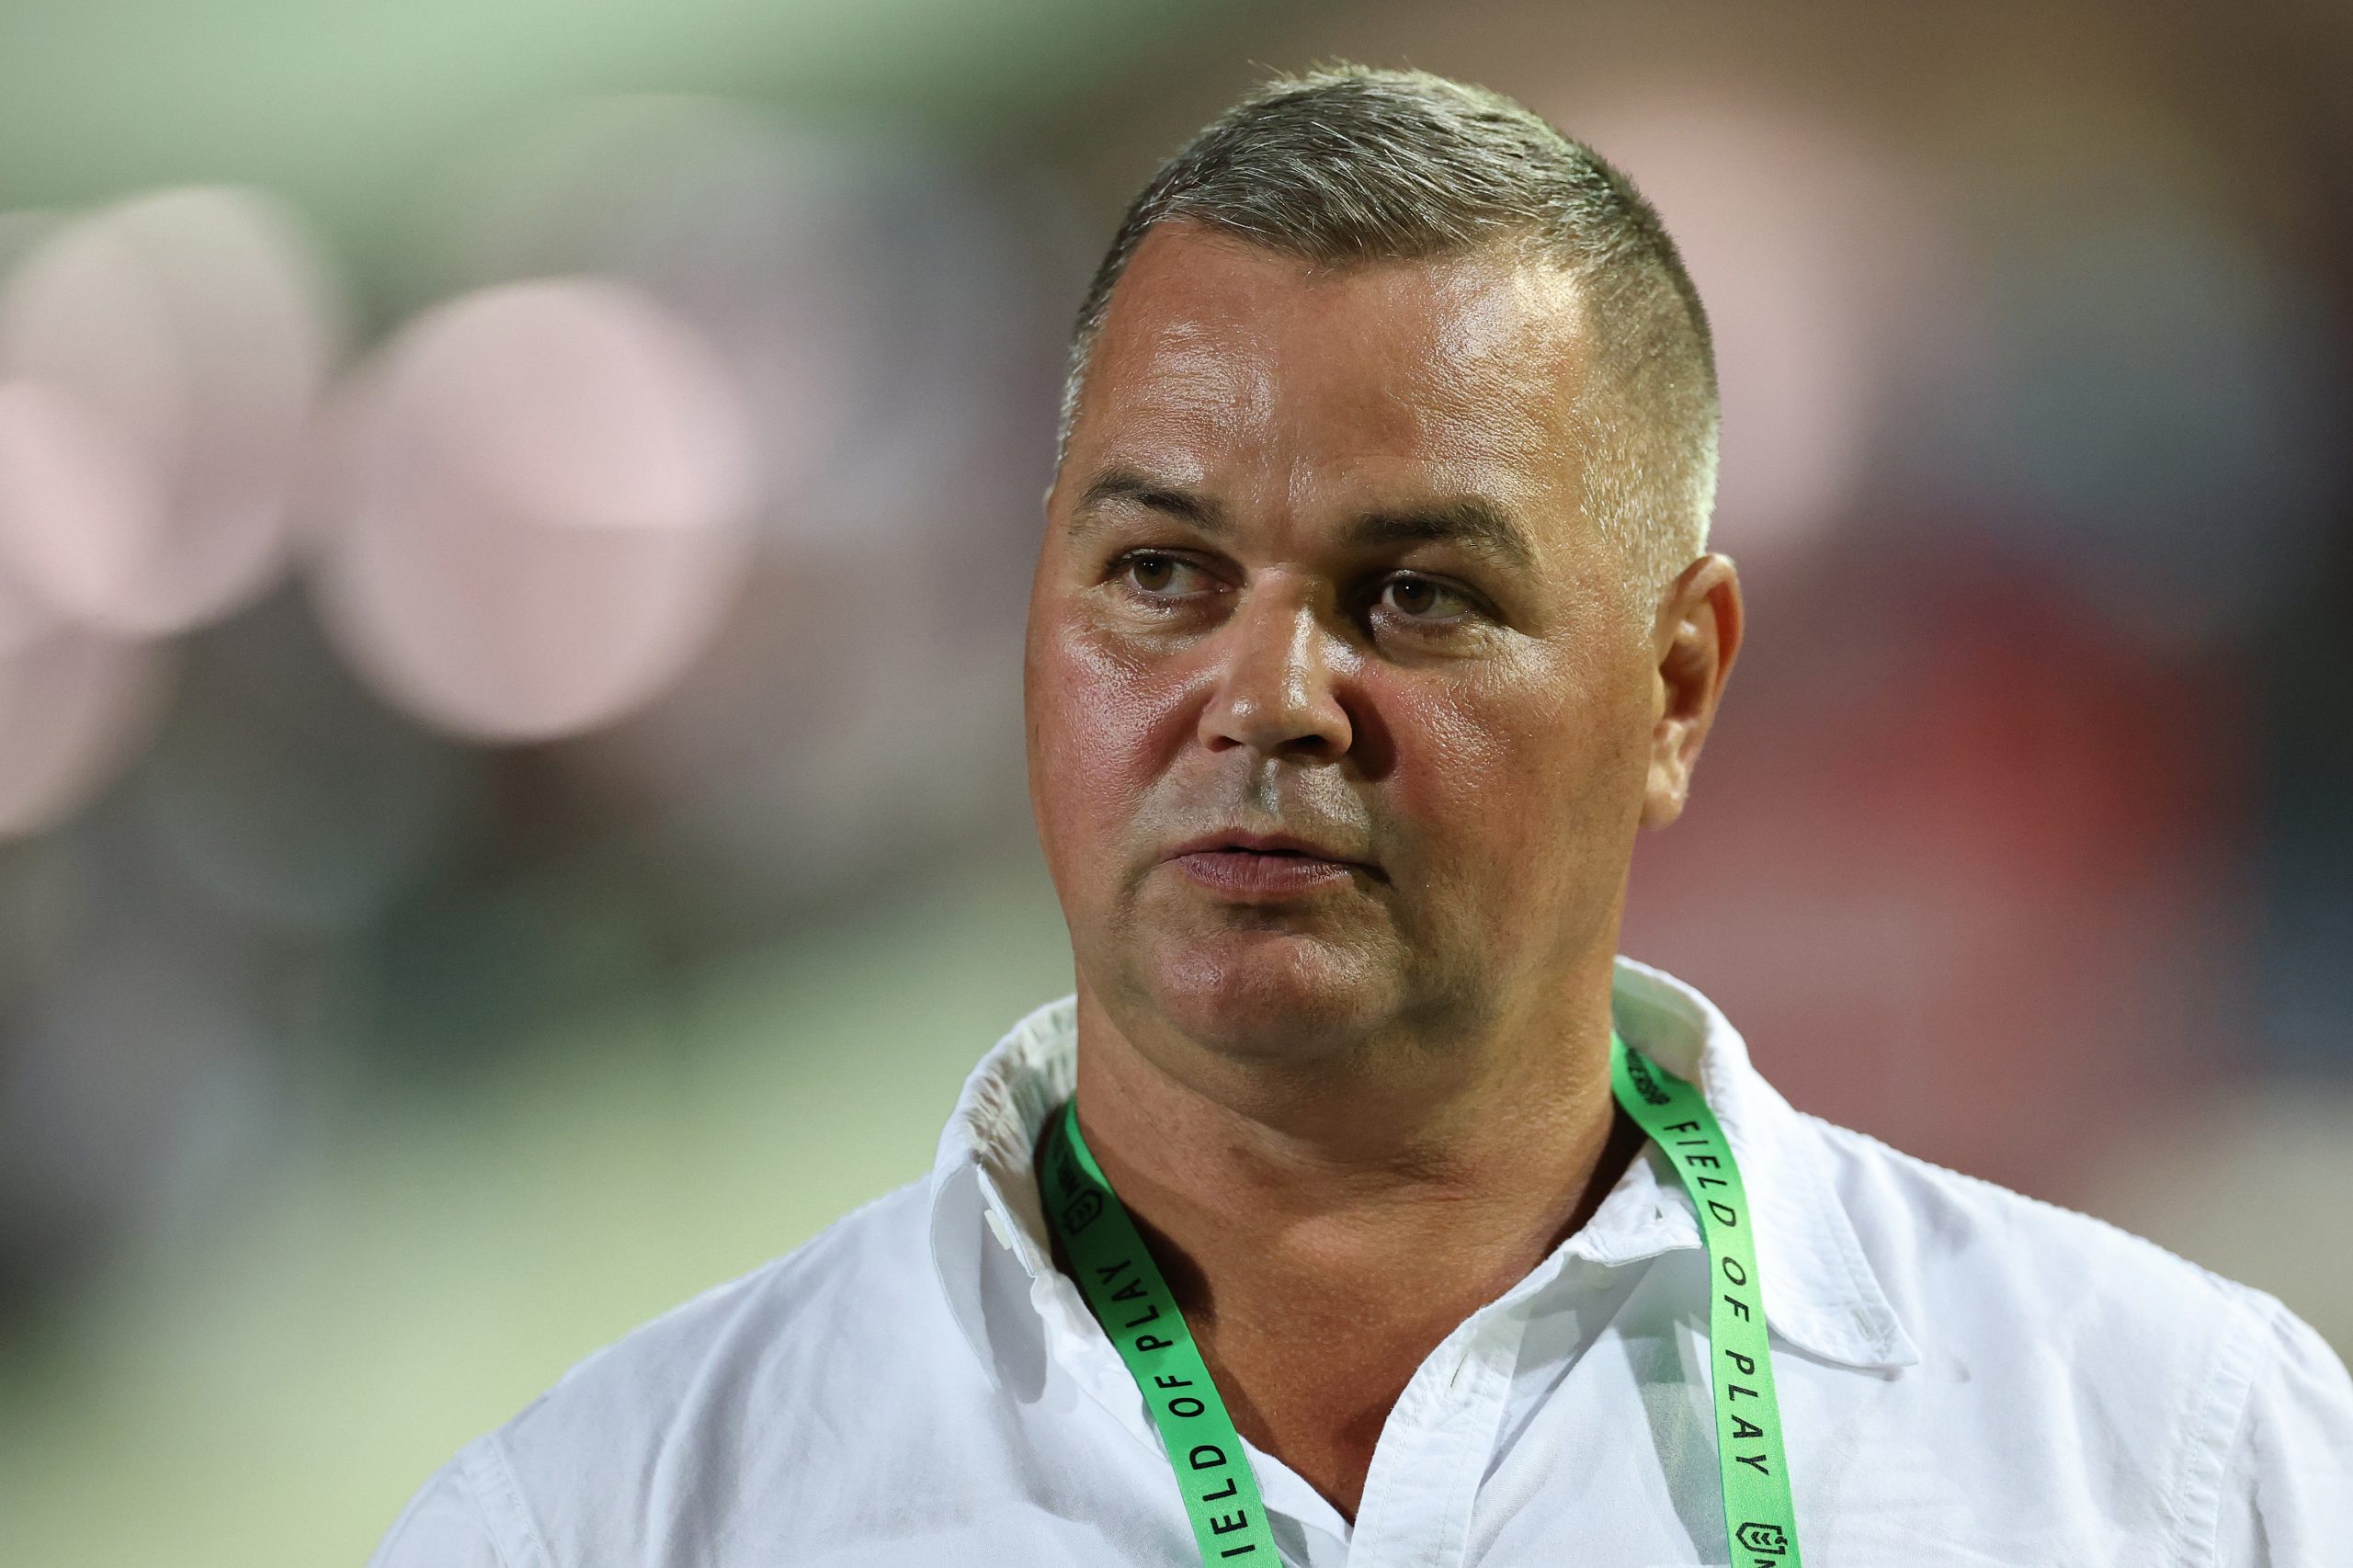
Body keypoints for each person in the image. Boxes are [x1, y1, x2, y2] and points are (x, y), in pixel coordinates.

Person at [370, 65, 2353, 1567]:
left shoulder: (2176, 1456)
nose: (1266, 696)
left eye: (1418, 593)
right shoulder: (602, 1514)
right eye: (1159, 572)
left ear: (1675, 684)